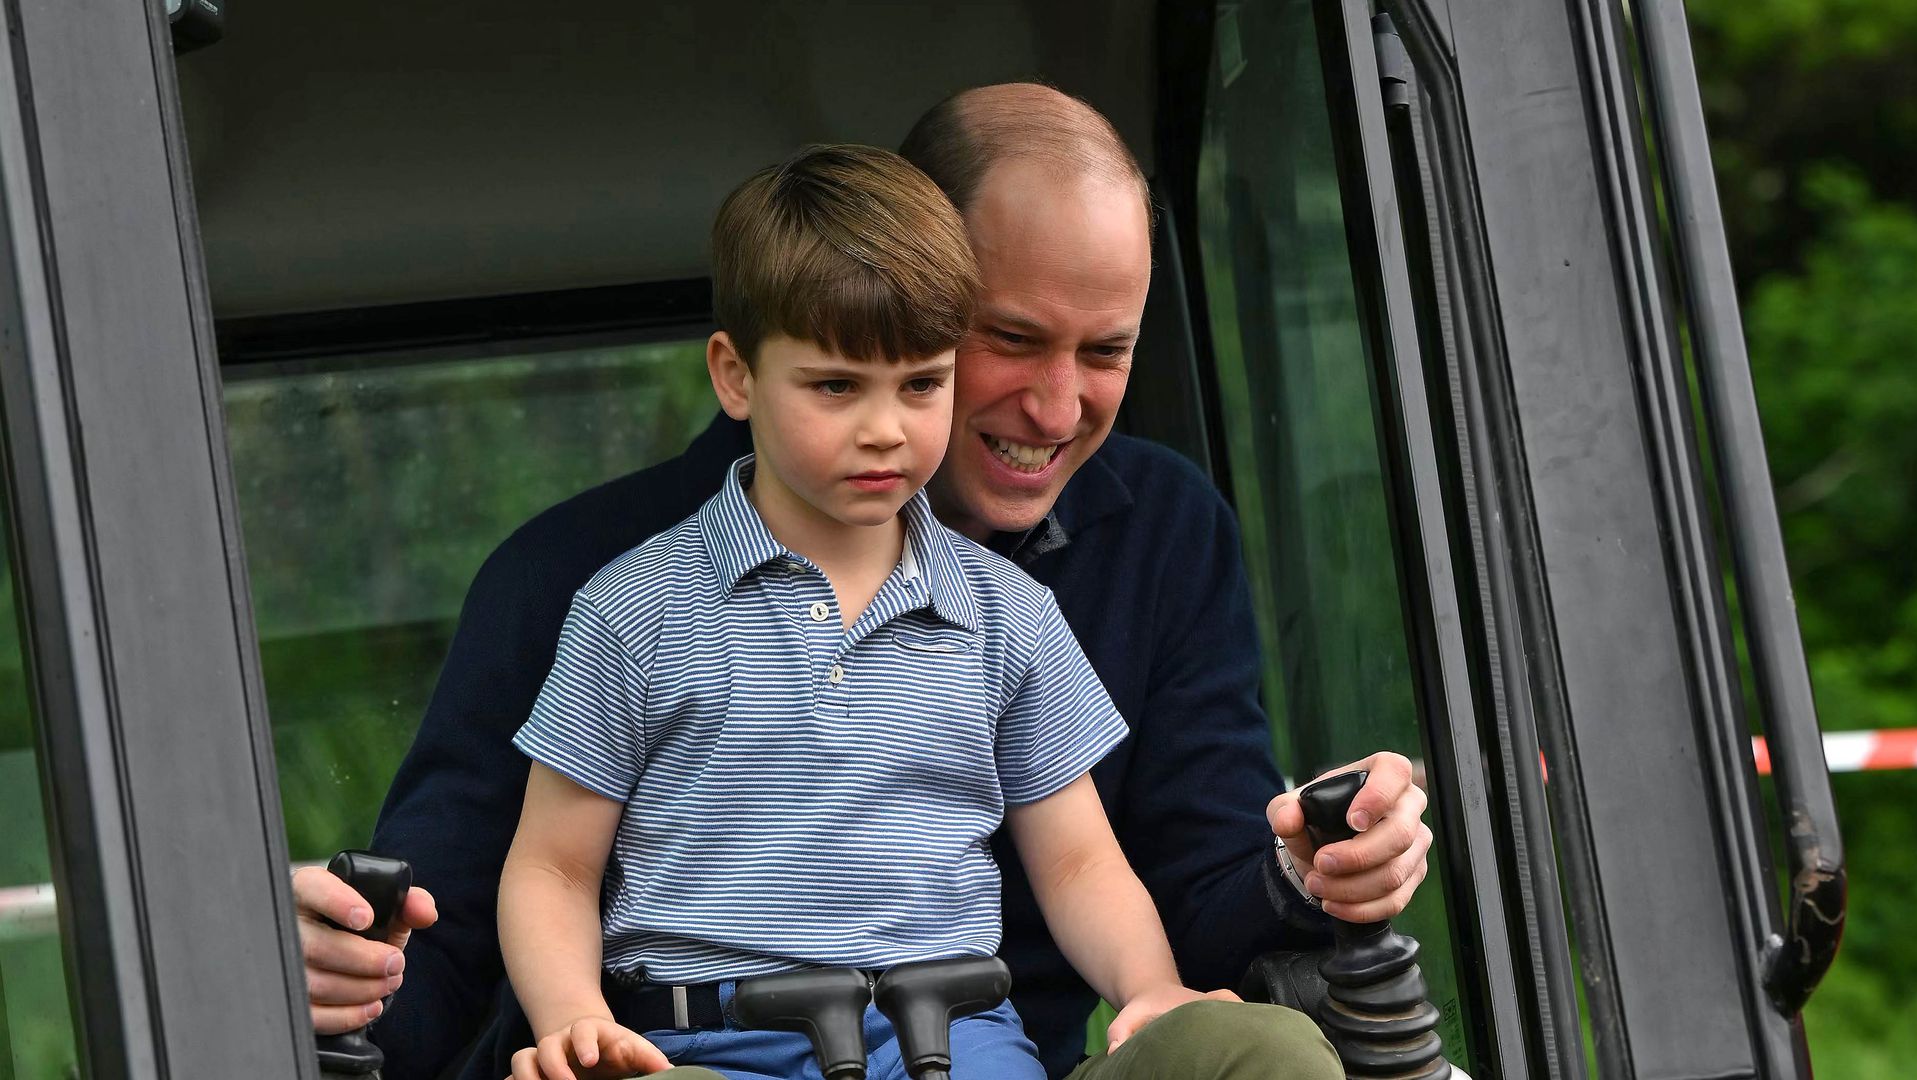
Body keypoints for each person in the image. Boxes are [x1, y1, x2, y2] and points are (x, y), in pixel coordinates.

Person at [295, 84, 1431, 1080]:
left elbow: (1161, 884)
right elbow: (467, 920)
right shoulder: (595, 588)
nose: (1053, 407)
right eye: (1014, 338)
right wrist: (331, 967)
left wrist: (1307, 864)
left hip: (978, 1048)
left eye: (1104, 353)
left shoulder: (1131, 552)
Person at [495, 142, 1254, 1080]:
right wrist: (571, 1015)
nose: (886, 428)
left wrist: (1153, 990)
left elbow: (1079, 866)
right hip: (708, 1044)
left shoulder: (1009, 616)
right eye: (837, 387)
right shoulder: (633, 608)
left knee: (1257, 1052)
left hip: (954, 1036)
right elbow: (553, 868)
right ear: (736, 377)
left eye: (923, 385)